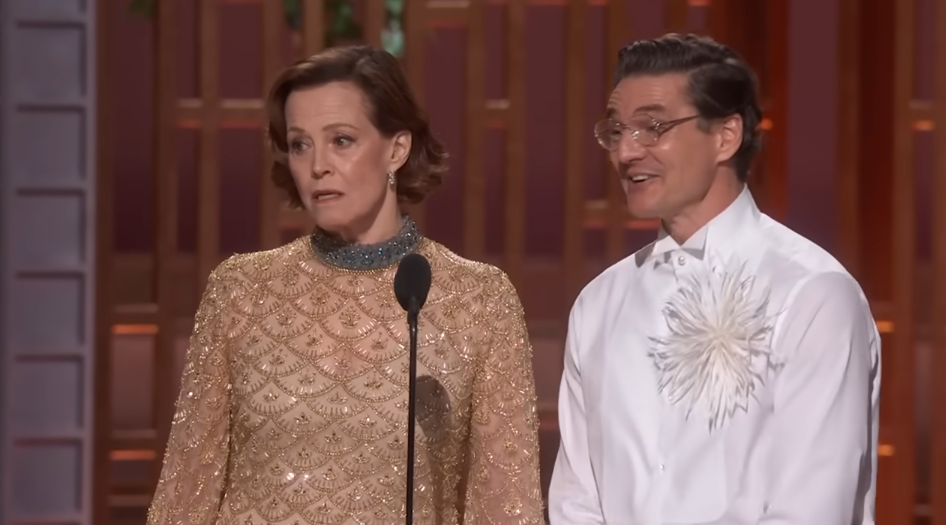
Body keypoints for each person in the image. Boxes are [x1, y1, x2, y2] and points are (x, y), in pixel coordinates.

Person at [147, 45, 545, 525]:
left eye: (341, 140)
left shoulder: (479, 301)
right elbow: (183, 496)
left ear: (396, 149)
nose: (317, 166)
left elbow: (506, 507)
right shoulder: (241, 290)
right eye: (300, 144)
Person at [548, 33, 880, 524]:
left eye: (651, 127)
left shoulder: (813, 295)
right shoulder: (599, 304)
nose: (626, 152)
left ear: (726, 135)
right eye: (616, 131)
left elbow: (811, 508)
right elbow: (577, 499)